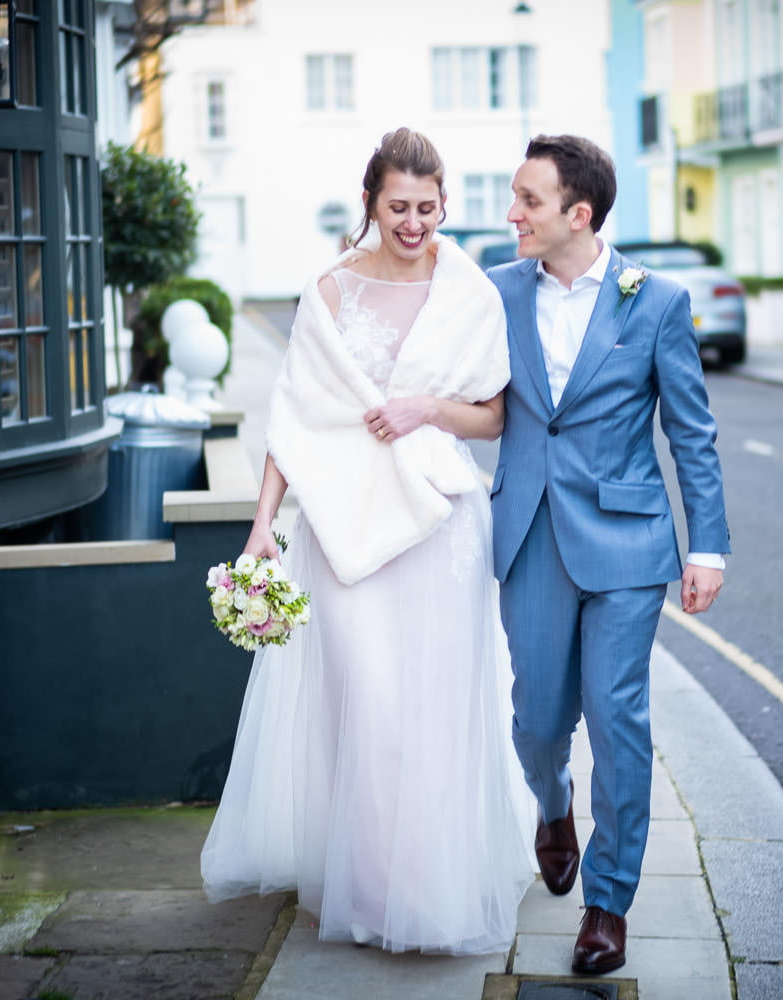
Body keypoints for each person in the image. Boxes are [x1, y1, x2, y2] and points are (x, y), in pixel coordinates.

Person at [199, 128, 534, 955]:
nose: (415, 222)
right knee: (370, 707)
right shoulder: (331, 292)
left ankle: (426, 894)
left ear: (444, 203)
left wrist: (424, 409)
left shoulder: (469, 294)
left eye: (428, 207)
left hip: (439, 524)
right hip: (343, 523)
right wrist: (261, 526)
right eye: (398, 207)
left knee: (433, 711)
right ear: (370, 203)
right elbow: (294, 419)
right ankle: (378, 891)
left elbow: (493, 418)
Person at [486, 134, 731, 975]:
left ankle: (607, 903)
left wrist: (709, 550)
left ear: (577, 213)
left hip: (629, 546)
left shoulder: (654, 300)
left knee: (620, 720)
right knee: (537, 722)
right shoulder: (493, 293)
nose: (510, 214)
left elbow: (690, 433)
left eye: (526, 200)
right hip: (531, 538)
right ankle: (553, 811)